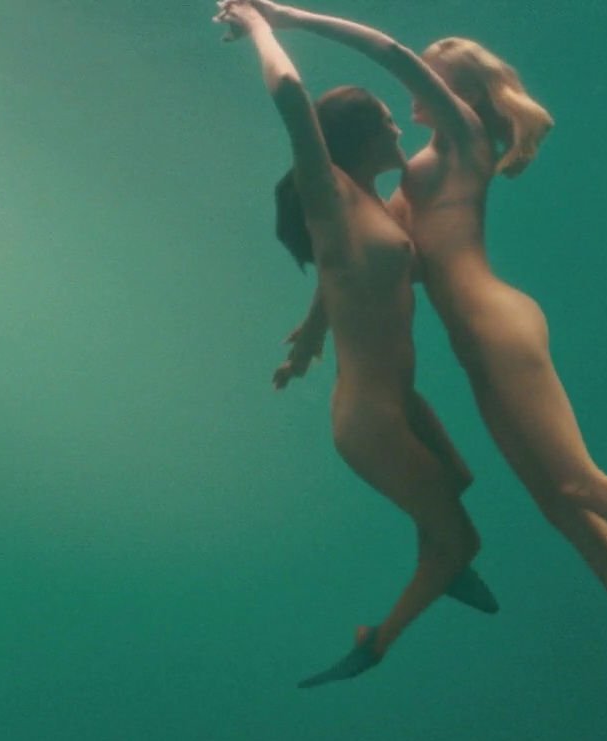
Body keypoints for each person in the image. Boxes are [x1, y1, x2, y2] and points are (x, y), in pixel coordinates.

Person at [245, 0, 607, 740]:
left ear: (456, 91)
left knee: (578, 481)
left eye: (429, 74)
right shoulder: (404, 183)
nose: (406, 96)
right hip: (477, 347)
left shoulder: (462, 138)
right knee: (559, 503)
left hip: (500, 328)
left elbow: (387, 50)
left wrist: (282, 17)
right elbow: (351, 260)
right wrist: (310, 333)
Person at [214, 0, 500, 689]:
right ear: (359, 138)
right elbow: (291, 95)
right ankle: (376, 641)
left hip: (399, 398)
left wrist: (308, 341)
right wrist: (259, 25)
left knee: (458, 482)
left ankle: (438, 563)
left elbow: (340, 275)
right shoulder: (331, 192)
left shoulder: (372, 204)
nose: (398, 126)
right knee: (463, 538)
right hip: (369, 421)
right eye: (385, 120)